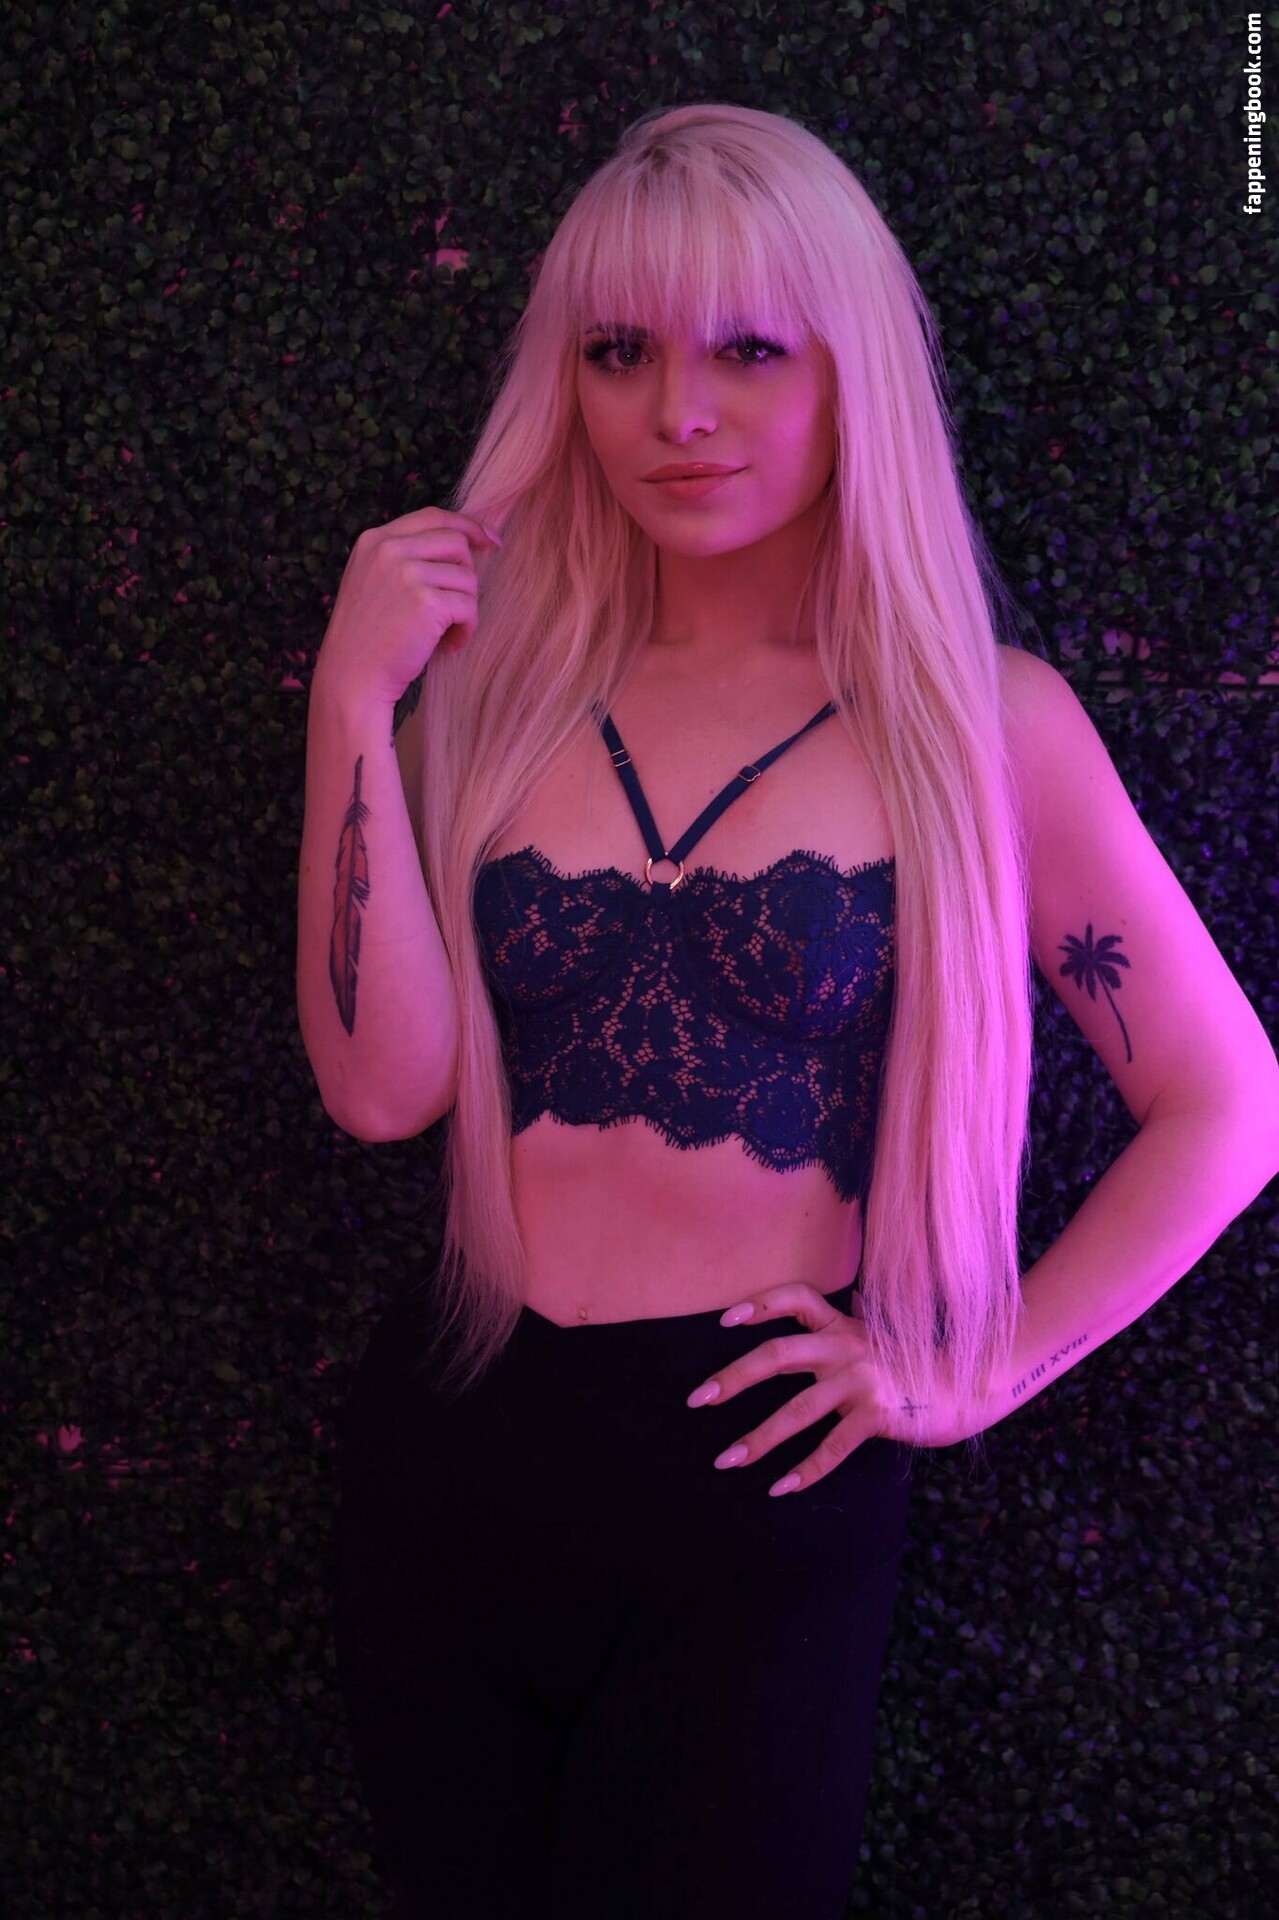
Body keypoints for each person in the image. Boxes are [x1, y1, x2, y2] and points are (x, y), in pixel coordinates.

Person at [296, 103, 1279, 1920]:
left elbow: (1227, 1106)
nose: (679, 410)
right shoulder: (495, 697)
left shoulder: (980, 727)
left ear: (852, 375)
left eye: (749, 350)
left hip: (758, 1486)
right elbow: (381, 1091)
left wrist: (976, 1369)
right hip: (452, 1443)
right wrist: (354, 709)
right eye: (621, 352)